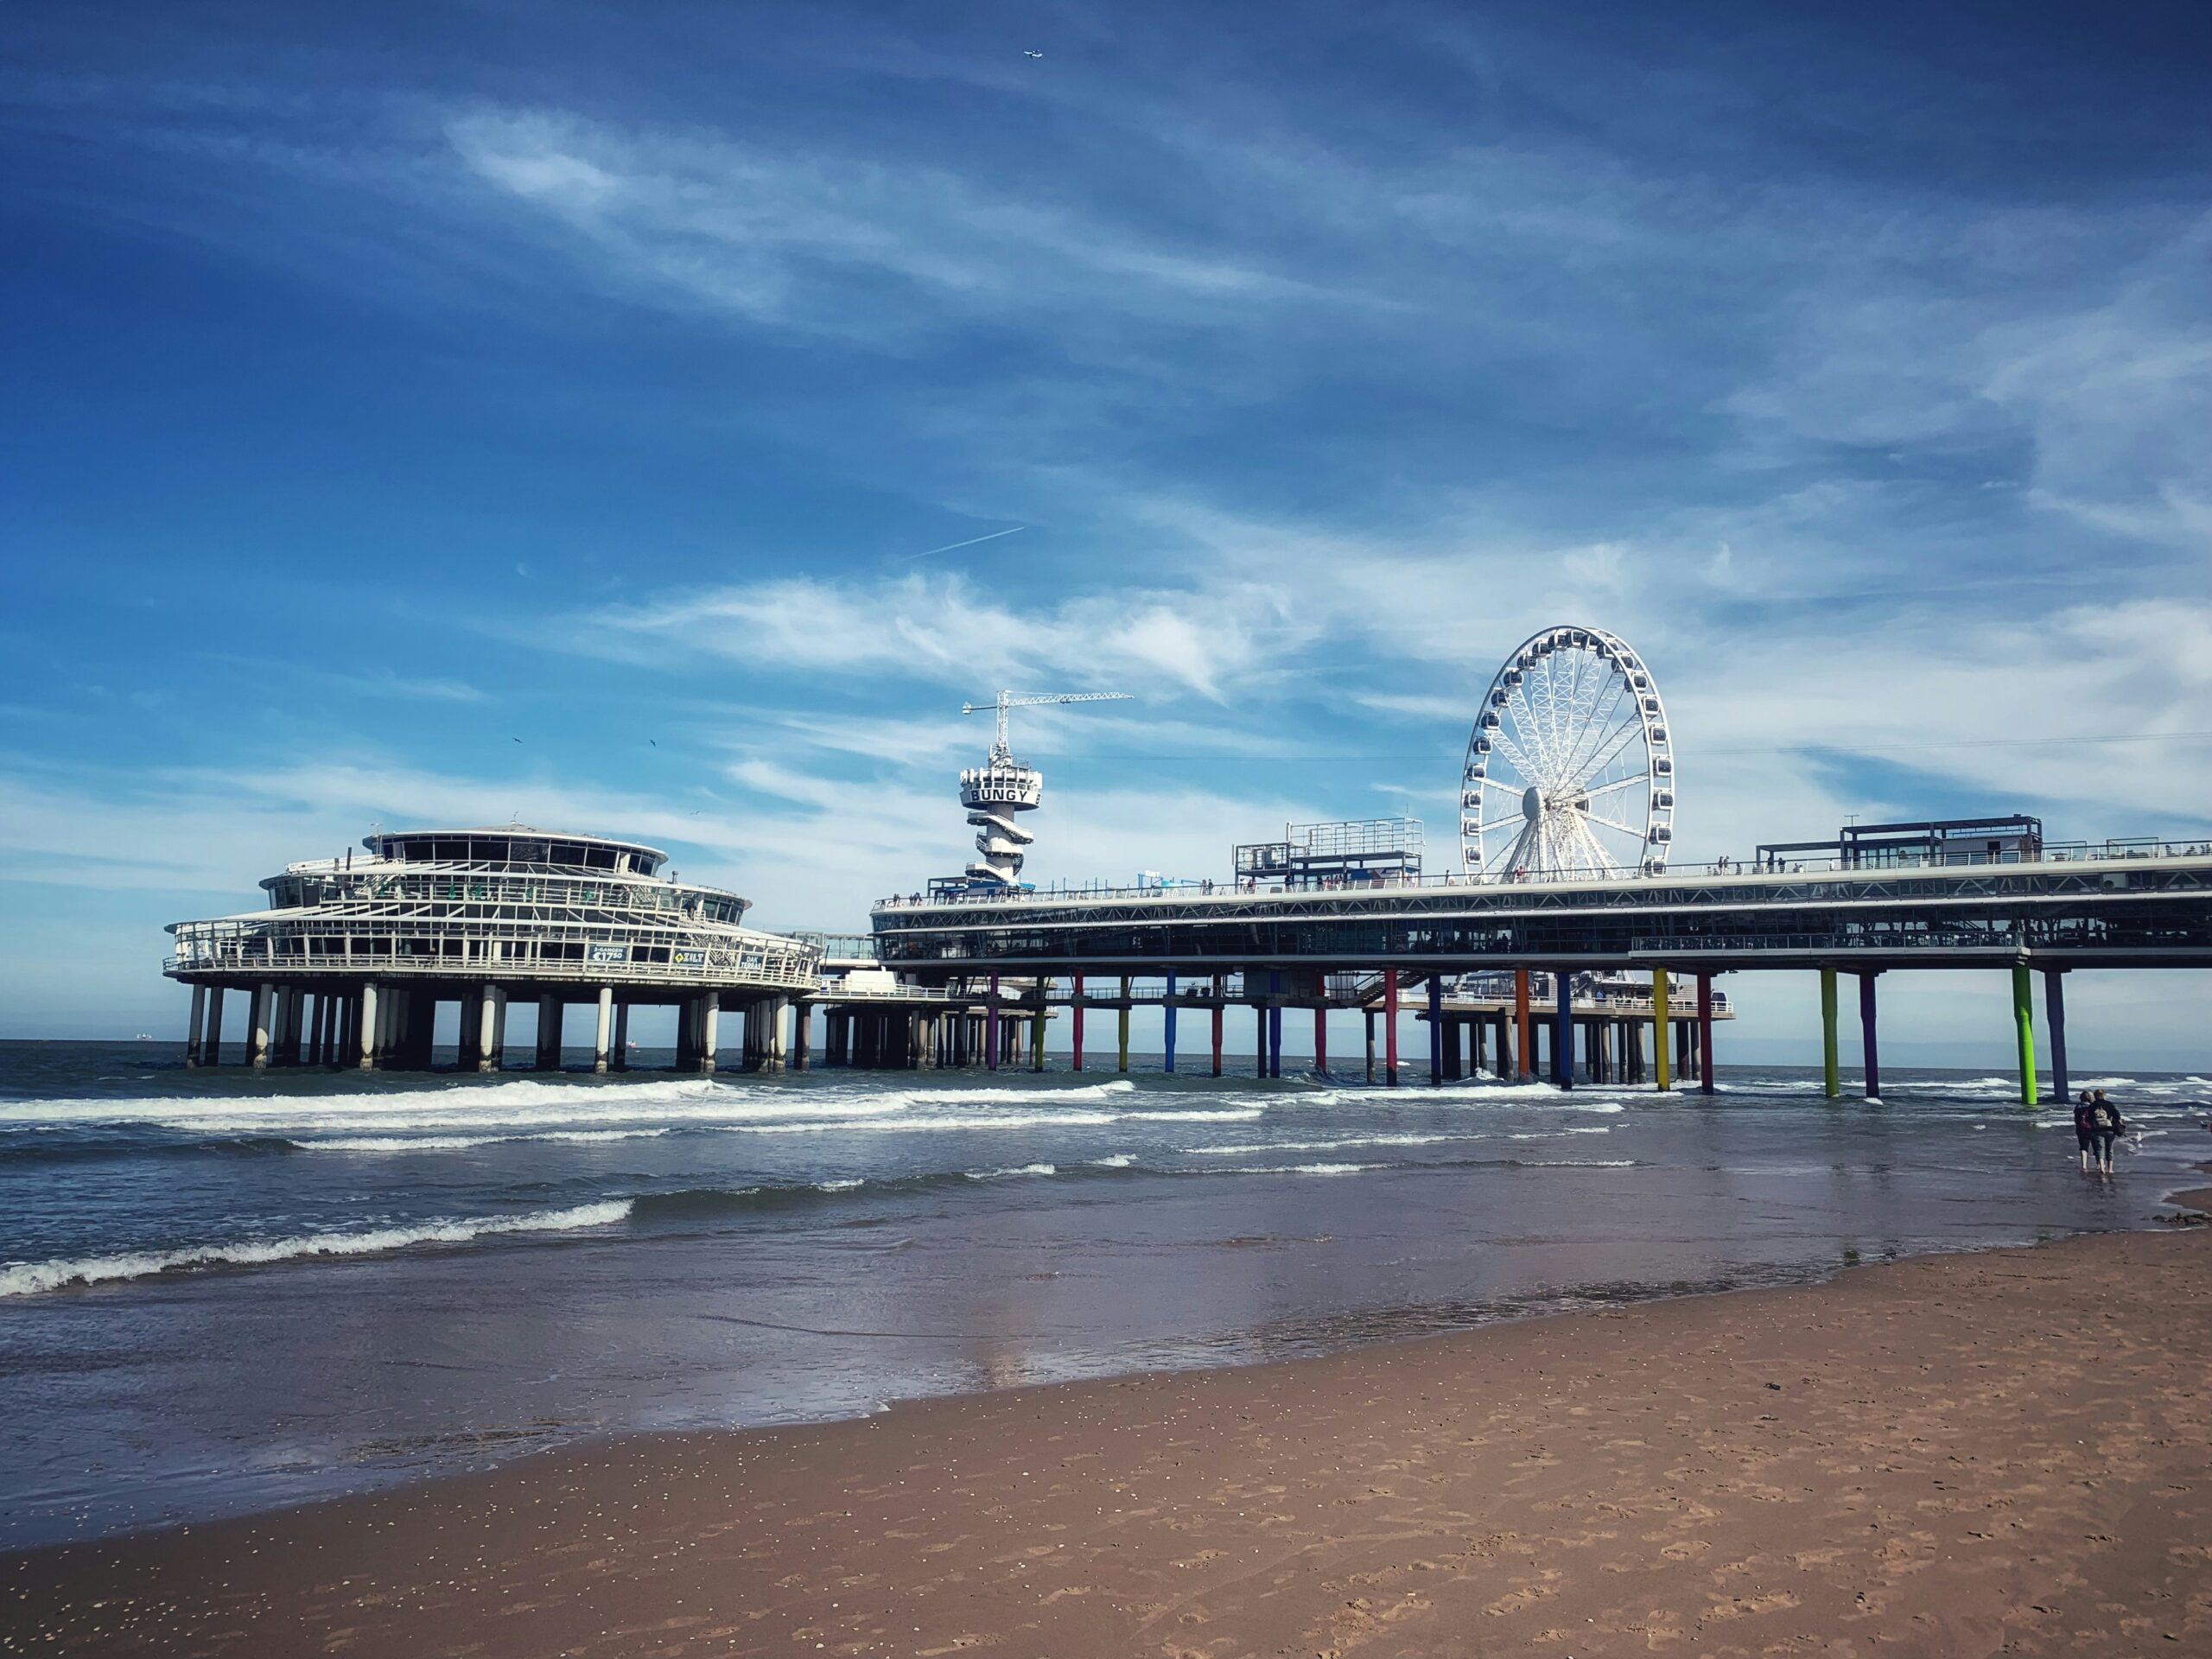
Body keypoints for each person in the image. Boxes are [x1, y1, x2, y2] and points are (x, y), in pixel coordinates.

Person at [2089, 1089, 2127, 1175]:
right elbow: (2117, 1115)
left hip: (2097, 1130)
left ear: (2095, 1096)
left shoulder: (2092, 1106)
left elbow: (2089, 1118)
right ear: (2104, 1096)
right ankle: (2110, 1169)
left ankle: (2102, 1168)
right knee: (2109, 1149)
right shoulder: (2109, 1104)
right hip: (2110, 1129)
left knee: (2100, 1148)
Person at [2074, 1090, 2100, 1173]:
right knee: (2097, 1147)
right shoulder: (2093, 1106)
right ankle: (2099, 1164)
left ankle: (2084, 1165)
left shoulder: (2077, 1106)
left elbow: (2076, 1118)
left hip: (2081, 1128)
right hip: (2093, 1128)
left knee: (2083, 1147)